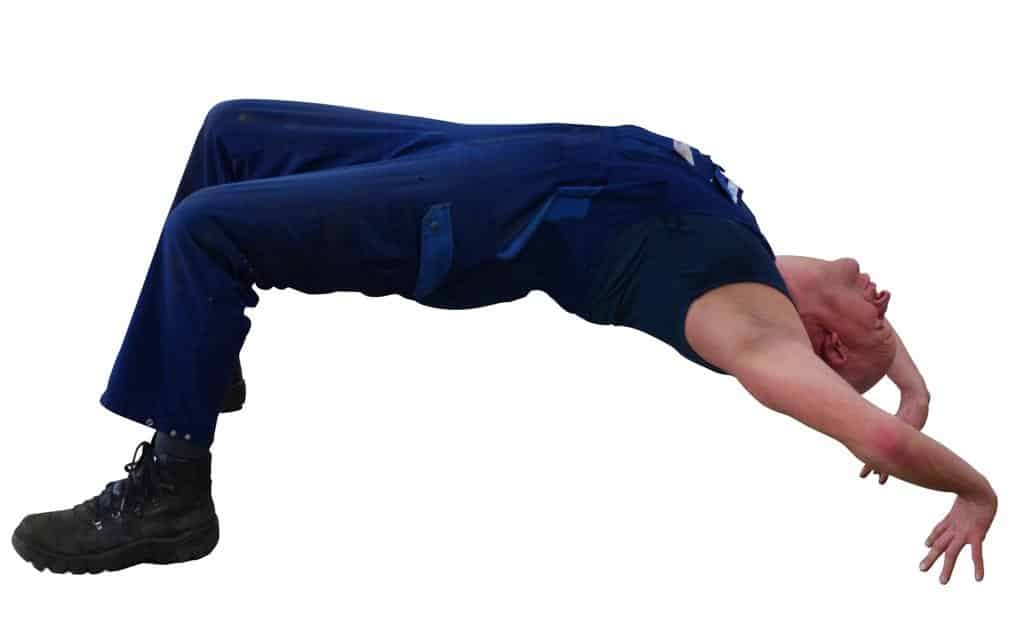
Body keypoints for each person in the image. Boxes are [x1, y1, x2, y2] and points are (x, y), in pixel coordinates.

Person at [11, 99, 997, 582]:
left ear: (826, 345)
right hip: (481, 154)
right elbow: (882, 373)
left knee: (206, 231)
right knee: (233, 129)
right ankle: (196, 353)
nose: (881, 289)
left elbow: (875, 437)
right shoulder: (768, 259)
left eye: (876, 317)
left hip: (476, 215)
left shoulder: (751, 325)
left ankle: (173, 494)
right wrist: (909, 380)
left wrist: (975, 487)